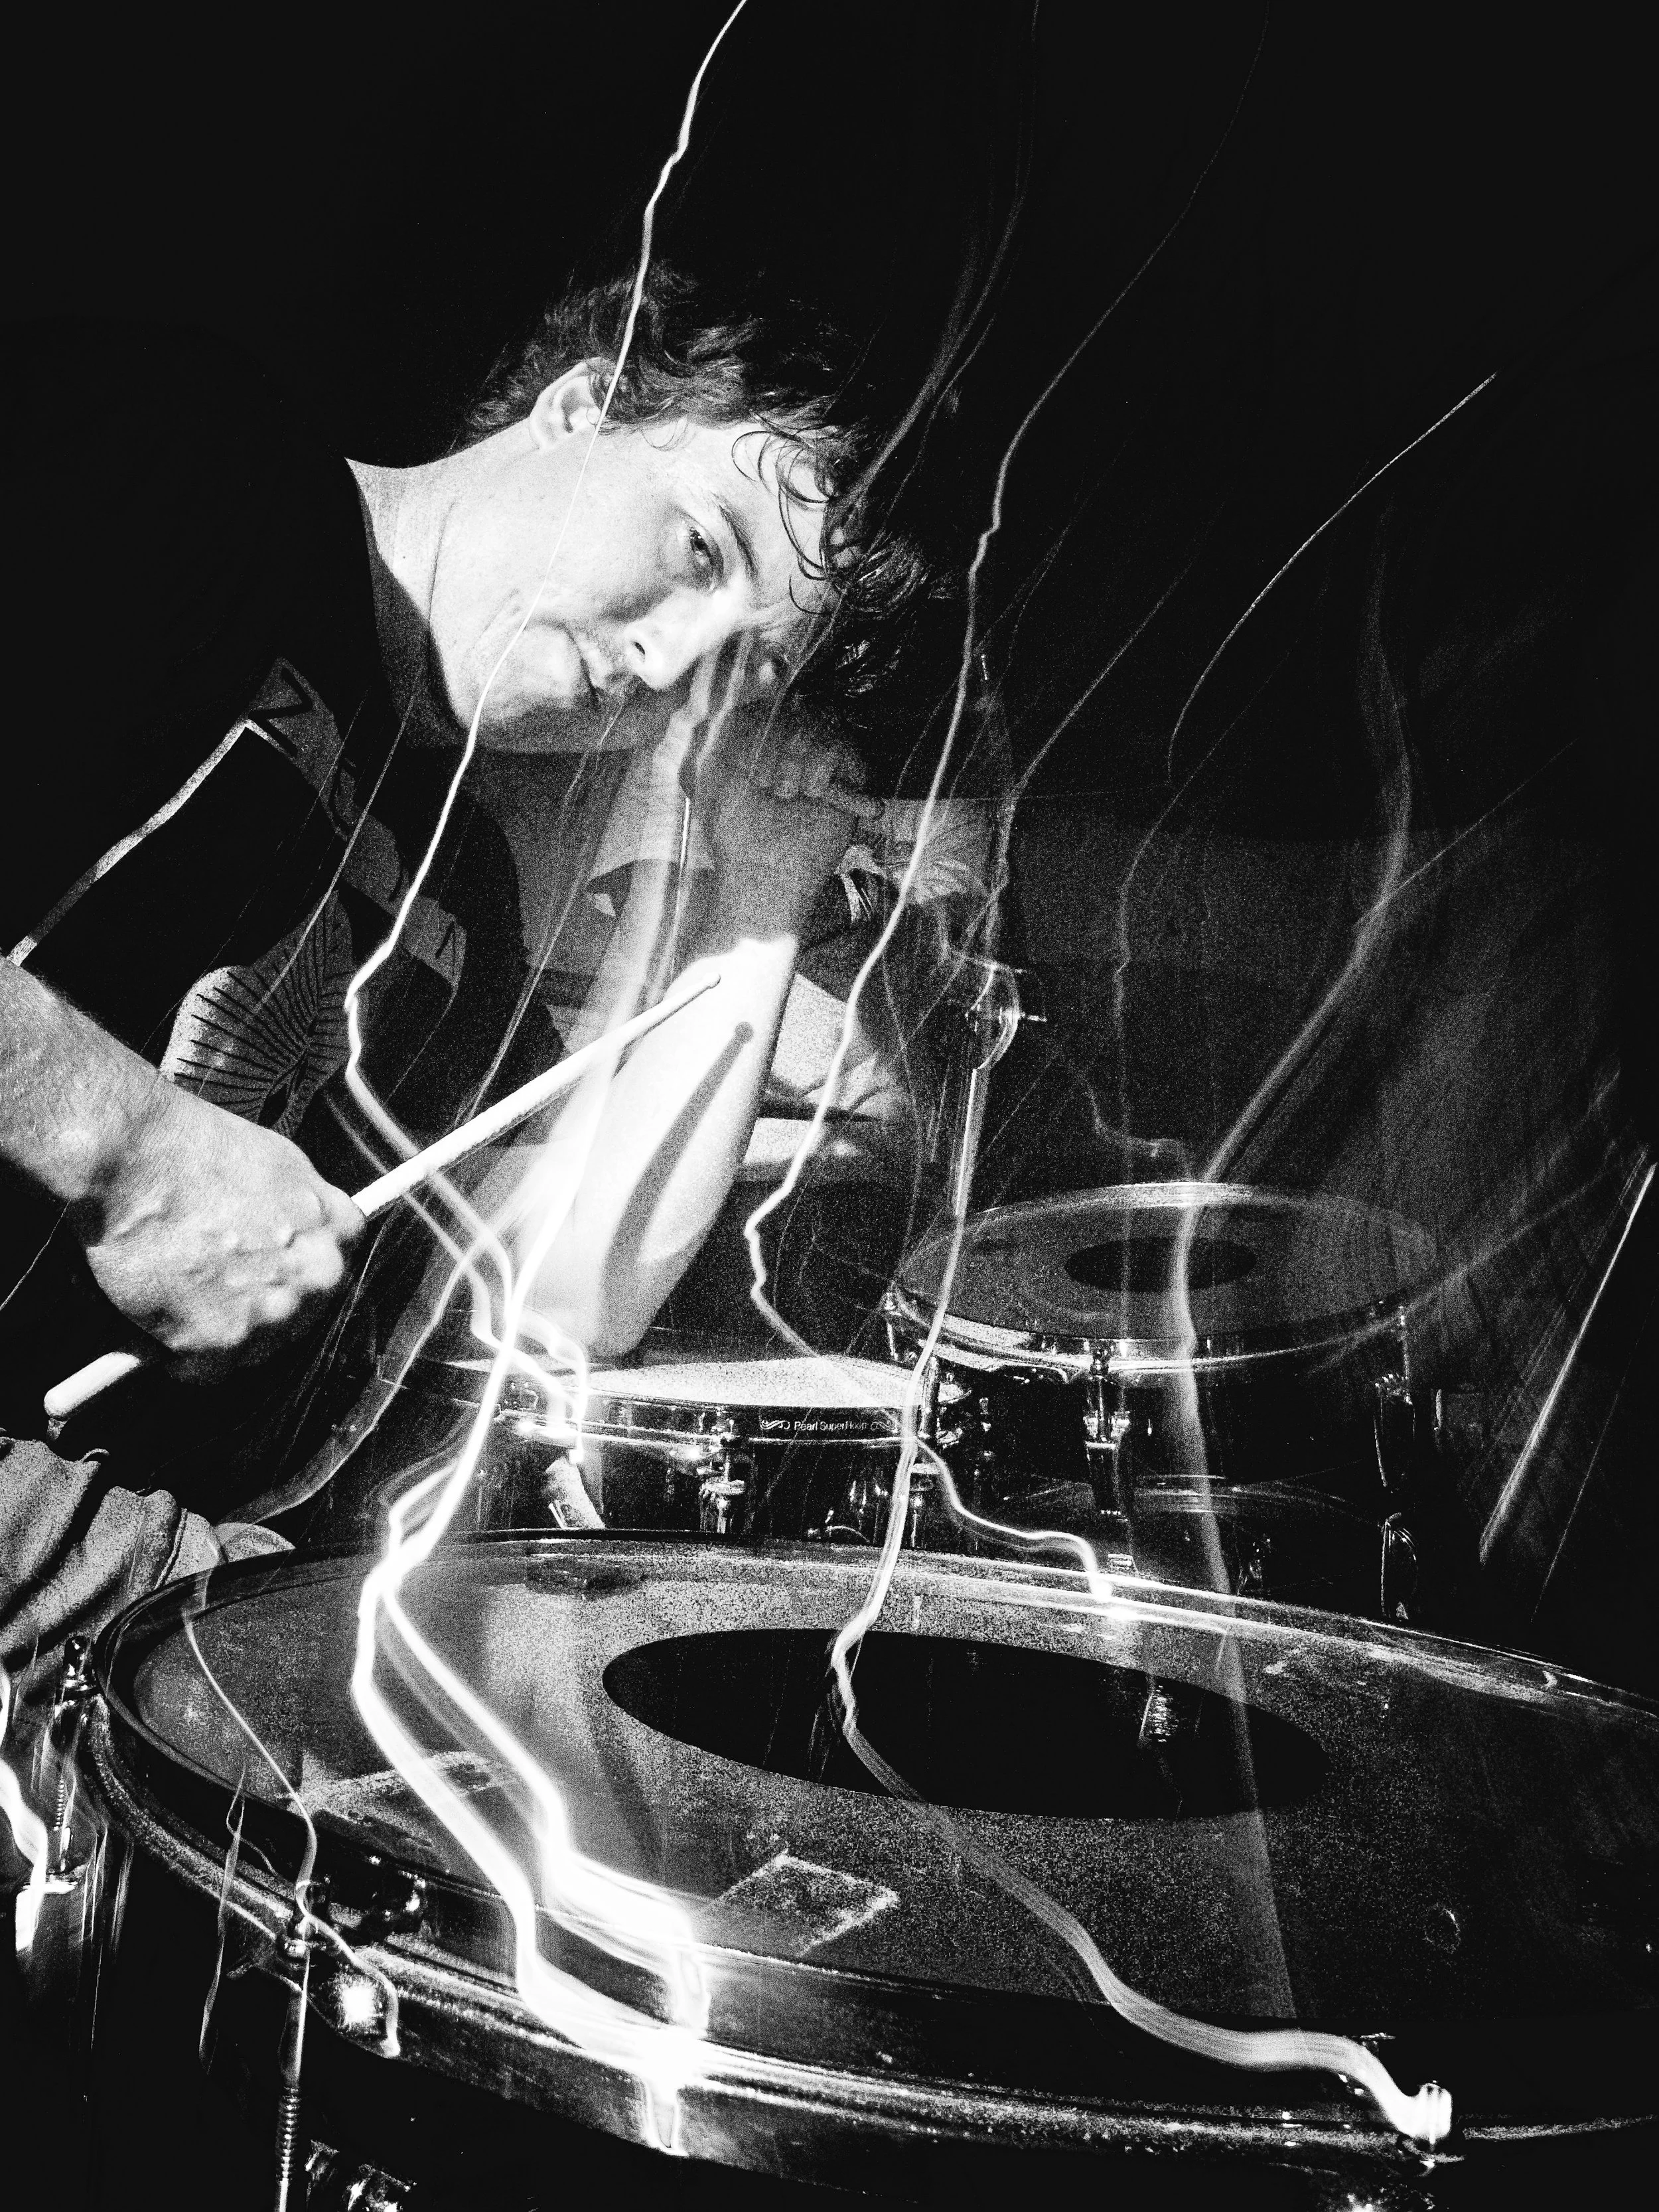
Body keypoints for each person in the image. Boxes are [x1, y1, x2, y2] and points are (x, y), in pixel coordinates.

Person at [0, 265, 924, 1733]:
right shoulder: (183, 453)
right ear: (585, 399)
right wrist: (132, 1153)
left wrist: (758, 902)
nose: (671, 665)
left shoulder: (461, 899)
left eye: (741, 665)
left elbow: (570, 1289)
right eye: (699, 545)